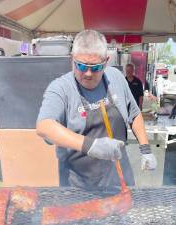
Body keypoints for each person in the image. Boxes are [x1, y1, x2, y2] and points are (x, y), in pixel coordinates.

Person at [36, 30, 157, 191]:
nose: (87, 73)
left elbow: (134, 114)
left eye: (95, 67)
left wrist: (146, 149)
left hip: (120, 180)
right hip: (79, 187)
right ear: (72, 59)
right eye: (81, 65)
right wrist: (91, 145)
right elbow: (44, 127)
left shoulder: (116, 77)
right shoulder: (60, 88)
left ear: (106, 62)